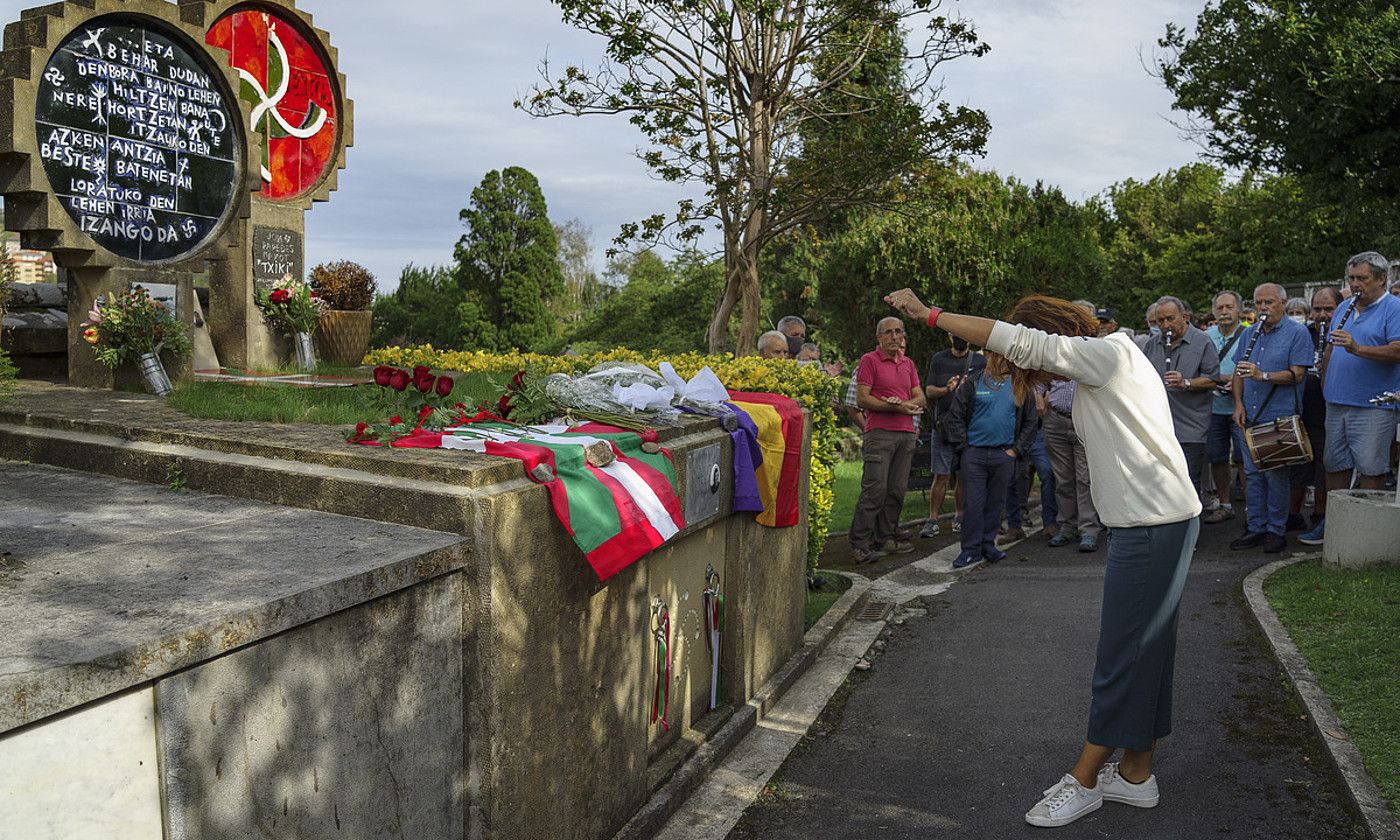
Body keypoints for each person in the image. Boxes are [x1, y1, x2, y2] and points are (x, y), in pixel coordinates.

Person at [884, 288, 1201, 829]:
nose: (1041, 374)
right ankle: (1135, 775)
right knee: (1147, 655)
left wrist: (931, 316)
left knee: (1121, 656)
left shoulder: (1106, 355)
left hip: (1151, 527)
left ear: (1054, 333)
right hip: (1159, 522)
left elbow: (1023, 344)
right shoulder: (1114, 356)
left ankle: (1083, 779)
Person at [1312, 251, 1400, 544]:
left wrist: (1358, 348)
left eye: (1361, 278)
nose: (1355, 284)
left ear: (1381, 278)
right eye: (1351, 279)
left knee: (1371, 468)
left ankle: (1369, 536)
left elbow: (1397, 351)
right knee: (1334, 464)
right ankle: (1335, 529)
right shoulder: (1345, 306)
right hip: (1337, 402)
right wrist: (1327, 387)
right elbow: (1330, 351)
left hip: (1372, 405)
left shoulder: (1394, 308)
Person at [1229, 283, 1314, 553]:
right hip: (1249, 414)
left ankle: (1276, 530)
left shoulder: (1297, 333)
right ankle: (1256, 527)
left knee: (1275, 476)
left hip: (1278, 416)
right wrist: (1238, 403)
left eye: (1269, 302)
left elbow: (1298, 374)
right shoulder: (1248, 333)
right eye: (1258, 303)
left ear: (1283, 303)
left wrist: (1262, 375)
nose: (1263, 308)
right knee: (1252, 476)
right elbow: (1238, 371)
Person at [942, 352, 1038, 567]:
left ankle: (988, 545)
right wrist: (965, 449)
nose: (1002, 358)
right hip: (974, 454)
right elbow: (955, 416)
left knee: (995, 504)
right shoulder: (973, 381)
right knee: (974, 503)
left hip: (1003, 454)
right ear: (987, 355)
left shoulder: (1019, 385)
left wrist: (1015, 451)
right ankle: (970, 550)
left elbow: (1031, 422)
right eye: (996, 353)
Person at [849, 317, 924, 563]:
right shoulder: (869, 360)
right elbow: (862, 399)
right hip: (879, 433)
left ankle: (884, 539)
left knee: (896, 490)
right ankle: (860, 543)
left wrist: (903, 405)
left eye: (898, 332)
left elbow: (919, 396)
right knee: (875, 489)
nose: (894, 336)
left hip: (906, 433)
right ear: (878, 337)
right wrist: (891, 407)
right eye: (889, 332)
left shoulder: (908, 363)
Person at [1142, 296, 1221, 502]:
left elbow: (1213, 380)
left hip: (1190, 428)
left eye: (1170, 319)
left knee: (1187, 484)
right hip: (1158, 428)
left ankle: (1191, 532)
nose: (1165, 326)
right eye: (1160, 321)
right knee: (1161, 484)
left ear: (1185, 317)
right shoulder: (1152, 344)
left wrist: (1185, 382)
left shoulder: (1202, 341)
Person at [921, 335, 987, 537]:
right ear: (949, 337)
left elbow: (986, 391)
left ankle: (959, 516)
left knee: (963, 475)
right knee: (941, 475)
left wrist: (969, 389)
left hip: (968, 428)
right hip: (943, 427)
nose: (960, 339)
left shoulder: (979, 361)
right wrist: (947, 389)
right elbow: (929, 391)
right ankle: (933, 520)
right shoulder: (939, 359)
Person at [1295, 286, 1342, 544]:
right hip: (1302, 414)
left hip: (1330, 414)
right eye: (1317, 309)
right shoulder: (1302, 334)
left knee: (1326, 470)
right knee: (1298, 469)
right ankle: (1293, 515)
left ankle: (1321, 518)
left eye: (1328, 309)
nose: (1322, 315)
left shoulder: (1343, 336)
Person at [1043, 376, 1103, 551]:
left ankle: (1088, 530)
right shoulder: (1055, 349)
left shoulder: (1091, 349)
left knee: (1084, 478)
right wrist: (1038, 395)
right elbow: (1040, 375)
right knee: (1063, 479)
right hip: (1055, 418)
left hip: (1085, 418)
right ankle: (1068, 526)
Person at [1203, 291, 1246, 523]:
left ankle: (1252, 509)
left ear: (1239, 309)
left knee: (1244, 458)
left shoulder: (1249, 334)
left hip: (1242, 406)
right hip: (1214, 406)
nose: (1224, 312)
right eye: (1220, 308)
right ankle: (1225, 504)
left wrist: (1238, 381)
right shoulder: (1206, 336)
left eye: (1229, 307)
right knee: (1217, 457)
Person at [1001, 386, 1057, 544]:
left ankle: (1050, 522)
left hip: (1035, 432)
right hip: (1012, 433)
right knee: (1012, 477)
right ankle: (1014, 527)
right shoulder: (1001, 376)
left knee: (1047, 472)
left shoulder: (1029, 373)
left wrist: (1037, 392)